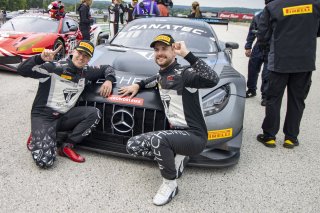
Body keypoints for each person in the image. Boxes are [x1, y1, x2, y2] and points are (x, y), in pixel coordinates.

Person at [118, 34, 219, 205]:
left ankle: (170, 185)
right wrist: (138, 85)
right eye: (156, 50)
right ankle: (177, 159)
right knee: (132, 146)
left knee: (158, 140)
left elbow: (212, 79)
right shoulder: (161, 76)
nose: (160, 53)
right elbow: (154, 80)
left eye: (164, 49)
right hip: (175, 134)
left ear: (173, 50)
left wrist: (187, 54)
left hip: (195, 136)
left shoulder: (185, 73)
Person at [18, 40, 116, 168]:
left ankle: (67, 146)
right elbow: (21, 70)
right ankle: (39, 132)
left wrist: (109, 80)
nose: (81, 57)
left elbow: (108, 68)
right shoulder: (54, 67)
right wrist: (40, 58)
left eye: (86, 55)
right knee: (45, 162)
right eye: (79, 53)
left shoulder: (87, 71)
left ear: (89, 59)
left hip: (63, 116)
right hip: (44, 117)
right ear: (73, 51)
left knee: (94, 113)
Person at [256, 0, 320, 149]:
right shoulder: (316, 4)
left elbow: (263, 34)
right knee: (297, 100)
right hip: (304, 61)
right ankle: (290, 138)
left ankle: (269, 136)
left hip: (279, 61)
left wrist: (267, 52)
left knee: (273, 99)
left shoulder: (273, 6)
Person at [244, 0, 272, 106]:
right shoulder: (258, 15)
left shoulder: (278, 15)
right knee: (252, 70)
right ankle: (251, 90)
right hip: (258, 47)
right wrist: (248, 47)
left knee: (267, 74)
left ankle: (265, 96)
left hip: (272, 48)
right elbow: (252, 32)